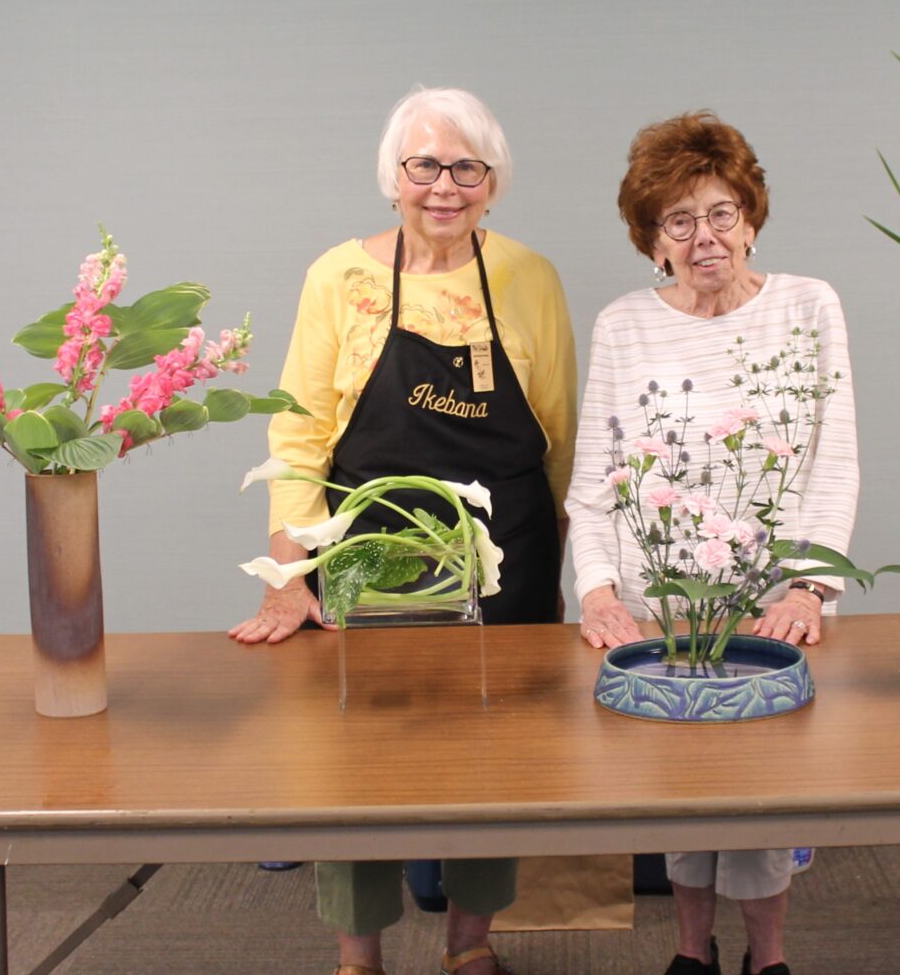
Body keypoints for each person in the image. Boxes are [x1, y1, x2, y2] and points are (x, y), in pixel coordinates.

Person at [231, 87, 577, 975]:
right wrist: (289, 576)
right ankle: (359, 955)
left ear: (494, 183)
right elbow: (299, 433)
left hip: (505, 555)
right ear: (393, 177)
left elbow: (563, 433)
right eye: (424, 165)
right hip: (367, 548)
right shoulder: (338, 278)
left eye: (468, 168)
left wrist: (573, 569)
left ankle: (471, 945)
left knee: (491, 756)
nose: (445, 186)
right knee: (354, 757)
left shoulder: (529, 277)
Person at [566, 112, 858, 975]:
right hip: (658, 604)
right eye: (679, 221)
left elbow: (831, 462)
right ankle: (692, 954)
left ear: (753, 217)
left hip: (774, 602)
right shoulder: (623, 323)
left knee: (766, 797)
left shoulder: (810, 306)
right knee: (678, 794)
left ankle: (768, 958)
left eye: (722, 212)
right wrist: (598, 591)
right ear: (652, 239)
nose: (704, 238)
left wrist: (808, 589)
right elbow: (595, 480)